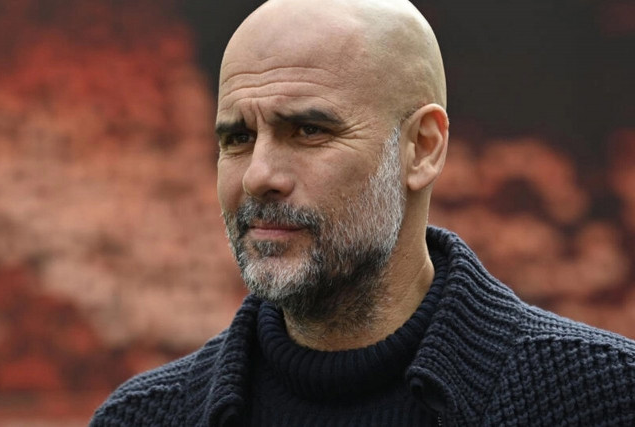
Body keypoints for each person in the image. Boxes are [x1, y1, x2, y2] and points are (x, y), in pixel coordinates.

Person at [90, 0, 635, 425]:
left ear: (422, 148)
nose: (258, 175)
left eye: (308, 130)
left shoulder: (603, 399)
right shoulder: (143, 417)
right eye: (237, 138)